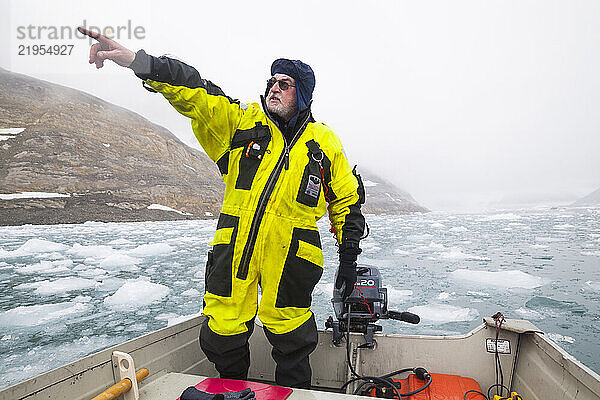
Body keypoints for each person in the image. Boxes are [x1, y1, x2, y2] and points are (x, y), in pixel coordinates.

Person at [79, 27, 366, 389]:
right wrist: (140, 62)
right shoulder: (242, 121)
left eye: (285, 83)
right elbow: (196, 91)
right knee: (223, 332)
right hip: (234, 246)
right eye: (271, 81)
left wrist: (349, 259)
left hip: (293, 253)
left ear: (303, 95)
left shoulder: (324, 142)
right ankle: (232, 391)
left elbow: (347, 200)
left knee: (293, 336)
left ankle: (297, 394)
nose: (273, 87)